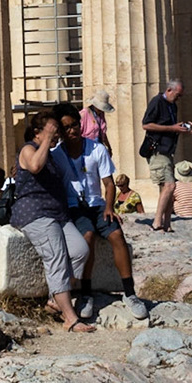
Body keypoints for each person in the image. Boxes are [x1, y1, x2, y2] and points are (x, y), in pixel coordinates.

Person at [53, 106, 147, 320]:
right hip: (74, 206)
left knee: (117, 236)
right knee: (87, 238)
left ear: (80, 124)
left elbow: (109, 183)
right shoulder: (57, 154)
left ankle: (130, 293)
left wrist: (109, 207)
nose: (71, 131)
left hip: (97, 204)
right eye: (66, 128)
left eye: (74, 125)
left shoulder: (96, 149)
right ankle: (86, 294)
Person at [10, 110, 94, 332]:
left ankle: (54, 300)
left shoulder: (51, 152)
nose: (57, 134)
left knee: (79, 250)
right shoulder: (29, 149)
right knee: (55, 258)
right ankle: (70, 318)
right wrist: (47, 138)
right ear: (38, 132)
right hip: (35, 214)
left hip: (57, 214)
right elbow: (35, 166)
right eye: (53, 130)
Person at [140, 79, 192, 232]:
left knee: (168, 188)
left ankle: (167, 223)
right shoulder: (157, 102)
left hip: (168, 150)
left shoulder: (173, 106)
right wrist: (171, 128)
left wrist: (180, 129)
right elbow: (146, 124)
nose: (178, 98)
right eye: (177, 95)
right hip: (158, 150)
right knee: (170, 185)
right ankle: (157, 222)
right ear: (169, 90)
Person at [82, 90, 115, 159]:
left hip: (99, 148)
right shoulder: (84, 113)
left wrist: (109, 147)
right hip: (87, 149)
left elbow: (103, 132)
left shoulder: (101, 114)